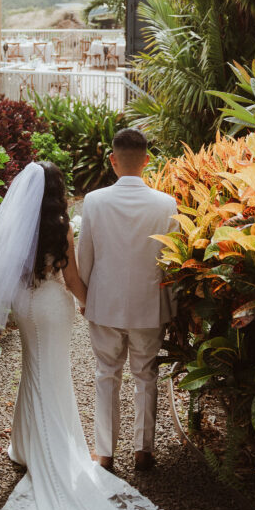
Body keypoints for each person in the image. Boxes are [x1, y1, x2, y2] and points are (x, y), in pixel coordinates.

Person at [0, 160, 183, 510]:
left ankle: (23, 447)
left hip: (25, 306)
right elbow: (71, 281)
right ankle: (47, 451)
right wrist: (90, 305)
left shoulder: (21, 225)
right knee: (53, 377)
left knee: (33, 374)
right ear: (58, 191)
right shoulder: (61, 227)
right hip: (51, 307)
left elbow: (4, 268)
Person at [77, 128, 178, 473]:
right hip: (150, 305)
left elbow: (84, 257)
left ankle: (105, 452)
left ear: (113, 161)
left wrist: (86, 297)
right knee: (146, 375)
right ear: (147, 161)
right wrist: (173, 306)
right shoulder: (167, 204)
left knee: (107, 373)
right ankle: (143, 451)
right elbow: (172, 260)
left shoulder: (94, 201)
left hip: (104, 302)